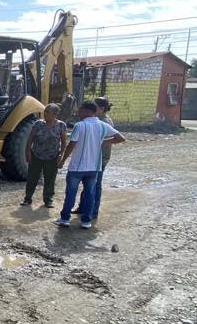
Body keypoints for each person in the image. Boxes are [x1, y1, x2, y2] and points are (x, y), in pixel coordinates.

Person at [54, 101, 124, 229]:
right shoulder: (103, 125)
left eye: (80, 109)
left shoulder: (79, 126)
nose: (78, 112)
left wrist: (62, 160)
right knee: (90, 194)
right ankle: (86, 221)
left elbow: (71, 145)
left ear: (87, 111)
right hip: (94, 168)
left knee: (71, 193)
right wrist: (103, 141)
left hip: (77, 167)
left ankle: (65, 219)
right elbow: (121, 138)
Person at [73, 96, 114, 217]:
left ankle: (93, 211)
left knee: (95, 185)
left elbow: (114, 137)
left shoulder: (105, 122)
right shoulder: (97, 120)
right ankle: (83, 207)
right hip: (94, 158)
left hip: (100, 158)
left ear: (102, 108)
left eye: (95, 107)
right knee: (88, 184)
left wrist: (100, 141)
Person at [21, 103, 68, 208]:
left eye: (47, 112)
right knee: (32, 178)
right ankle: (28, 198)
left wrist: (61, 155)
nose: (45, 114)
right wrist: (28, 152)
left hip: (52, 157)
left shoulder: (61, 125)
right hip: (36, 155)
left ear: (55, 114)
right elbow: (30, 139)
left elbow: (64, 142)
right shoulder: (38, 124)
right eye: (45, 111)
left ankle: (48, 200)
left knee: (50, 179)